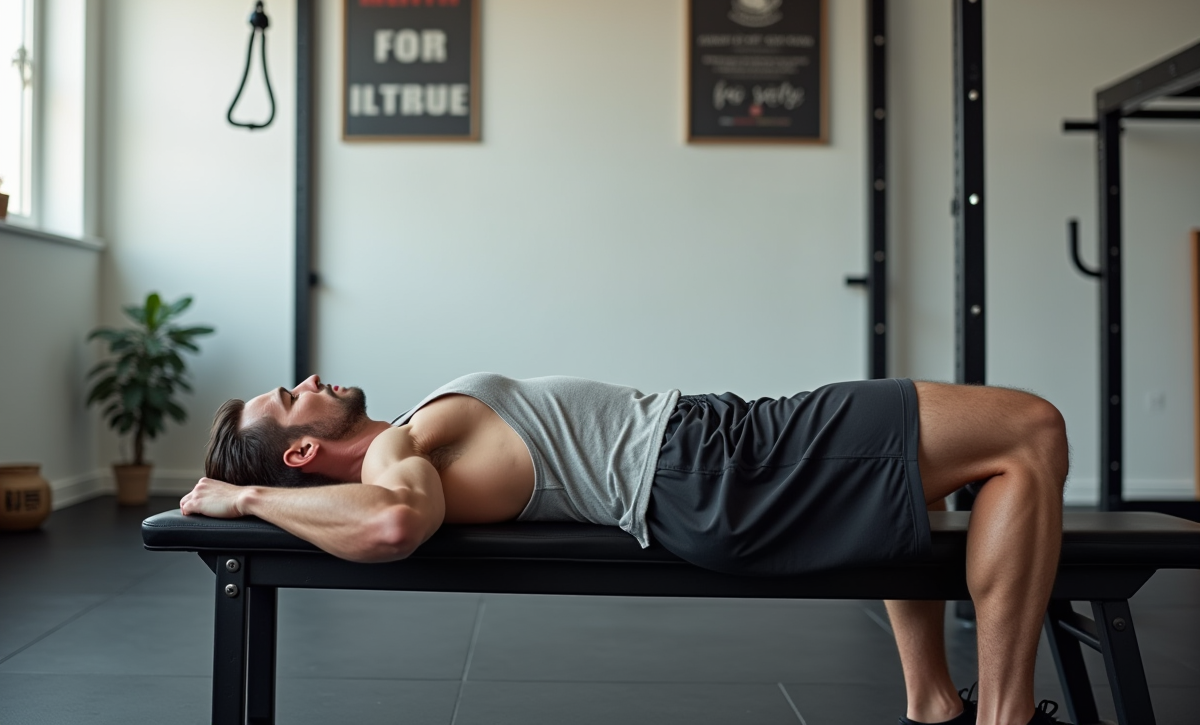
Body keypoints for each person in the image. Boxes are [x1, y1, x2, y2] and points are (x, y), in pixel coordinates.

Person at [182, 372, 1071, 725]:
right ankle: (1005, 719)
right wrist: (246, 497)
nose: (306, 382)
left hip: (715, 452)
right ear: (302, 453)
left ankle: (935, 705)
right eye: (288, 400)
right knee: (1029, 430)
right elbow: (388, 525)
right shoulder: (391, 454)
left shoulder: (404, 437)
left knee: (957, 475)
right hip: (715, 465)